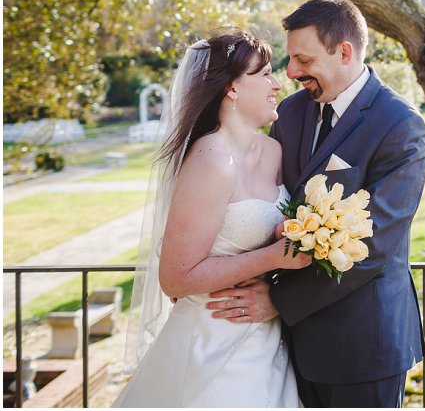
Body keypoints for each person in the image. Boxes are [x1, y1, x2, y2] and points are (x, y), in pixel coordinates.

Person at [205, 0, 425, 408]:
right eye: (290, 60)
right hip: (283, 346)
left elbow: (372, 246)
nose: (291, 72)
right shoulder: (289, 114)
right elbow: (264, 202)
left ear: (344, 52)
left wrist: (277, 301)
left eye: (304, 61)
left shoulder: (400, 125)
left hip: (362, 344)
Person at [115, 30, 310, 408]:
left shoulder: (273, 152)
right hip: (211, 336)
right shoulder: (211, 161)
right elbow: (174, 277)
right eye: (264, 73)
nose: (276, 83)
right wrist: (272, 258)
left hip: (266, 335)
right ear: (232, 89)